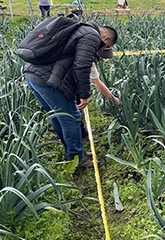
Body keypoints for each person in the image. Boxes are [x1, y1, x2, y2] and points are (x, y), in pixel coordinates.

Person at [25, 17, 118, 168]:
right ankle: (77, 158)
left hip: (33, 74)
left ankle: (71, 150)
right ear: (105, 38)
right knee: (71, 117)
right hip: (48, 80)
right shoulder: (91, 36)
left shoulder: (78, 29)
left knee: (56, 114)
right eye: (106, 46)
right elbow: (81, 66)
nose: (103, 49)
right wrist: (84, 95)